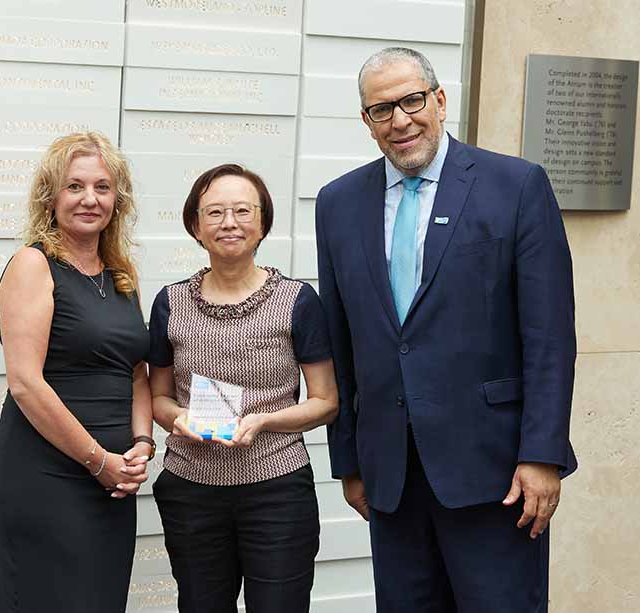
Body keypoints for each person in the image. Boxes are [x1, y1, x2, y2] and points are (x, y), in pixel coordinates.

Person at [315, 47, 577, 612]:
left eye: (411, 100)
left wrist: (542, 454)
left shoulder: (516, 185)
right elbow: (341, 342)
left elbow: (550, 338)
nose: (400, 120)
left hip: (497, 474)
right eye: (381, 110)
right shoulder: (337, 204)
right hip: (391, 478)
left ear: (438, 99)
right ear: (366, 121)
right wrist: (350, 463)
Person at [147, 163, 338, 613]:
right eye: (214, 212)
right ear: (195, 225)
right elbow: (157, 398)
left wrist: (266, 419)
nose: (228, 223)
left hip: (276, 489)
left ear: (262, 222)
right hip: (191, 490)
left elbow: (326, 402)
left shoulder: (297, 301)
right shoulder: (169, 303)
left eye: (241, 211)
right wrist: (180, 419)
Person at [0, 132, 154, 612]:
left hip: (114, 484)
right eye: (74, 186)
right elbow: (25, 383)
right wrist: (98, 461)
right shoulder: (32, 264)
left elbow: (136, 372)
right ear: (50, 196)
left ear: (117, 200)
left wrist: (140, 445)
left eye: (102, 187)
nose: (89, 199)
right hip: (44, 479)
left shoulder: (121, 274)